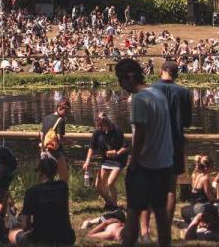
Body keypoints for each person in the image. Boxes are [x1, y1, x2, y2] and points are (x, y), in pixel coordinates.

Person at [114, 58, 173, 247]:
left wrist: (133, 163)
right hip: (163, 163)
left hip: (145, 166)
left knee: (133, 214)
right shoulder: (158, 93)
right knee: (161, 215)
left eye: (120, 80)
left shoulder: (140, 99)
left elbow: (139, 135)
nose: (120, 85)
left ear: (129, 77)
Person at [152, 59, 192, 227]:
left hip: (154, 142)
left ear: (162, 71)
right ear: (177, 74)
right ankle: (165, 225)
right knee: (170, 186)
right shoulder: (184, 92)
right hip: (175, 142)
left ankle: (150, 223)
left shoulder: (150, 90)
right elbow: (187, 122)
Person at [8, 157, 75, 246]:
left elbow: (25, 226)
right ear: (55, 172)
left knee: (12, 233)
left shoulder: (32, 192)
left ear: (41, 172)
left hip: (42, 239)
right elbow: (64, 176)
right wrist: (59, 153)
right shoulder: (63, 187)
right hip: (67, 238)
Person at [82, 113, 126, 210]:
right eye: (98, 126)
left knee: (110, 183)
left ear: (107, 124)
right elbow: (92, 147)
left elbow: (125, 147)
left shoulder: (117, 130)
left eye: (101, 126)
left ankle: (115, 207)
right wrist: (87, 160)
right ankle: (109, 202)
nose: (100, 128)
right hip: (106, 160)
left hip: (118, 160)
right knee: (98, 186)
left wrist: (117, 153)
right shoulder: (98, 132)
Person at [40, 99, 71, 182]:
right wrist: (68, 142)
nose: (66, 114)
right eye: (66, 111)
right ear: (60, 109)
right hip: (56, 153)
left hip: (44, 152)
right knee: (64, 178)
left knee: (46, 179)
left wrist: (43, 148)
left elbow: (42, 135)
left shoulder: (46, 118)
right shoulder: (61, 120)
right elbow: (59, 139)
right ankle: (60, 194)